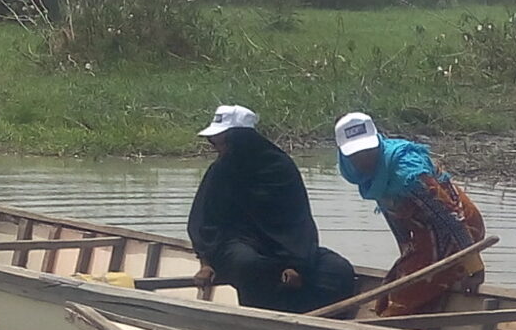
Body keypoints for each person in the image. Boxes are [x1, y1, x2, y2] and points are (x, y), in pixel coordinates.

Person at [186, 103, 358, 311]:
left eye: (220, 141)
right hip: (236, 246)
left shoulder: (281, 168)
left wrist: (296, 265)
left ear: (241, 139)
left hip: (285, 250)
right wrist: (205, 264)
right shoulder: (221, 171)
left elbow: (298, 224)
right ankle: (264, 320)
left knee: (338, 270)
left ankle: (315, 317)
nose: (216, 146)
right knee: (249, 265)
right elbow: (204, 222)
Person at [333, 111, 485, 316]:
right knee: (390, 288)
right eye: (356, 155)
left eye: (368, 151)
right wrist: (406, 254)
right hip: (425, 231)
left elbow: (451, 220)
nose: (364, 159)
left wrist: (474, 267)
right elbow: (393, 216)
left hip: (461, 229)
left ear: (377, 143)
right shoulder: (361, 174)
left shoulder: (408, 175)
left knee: (403, 297)